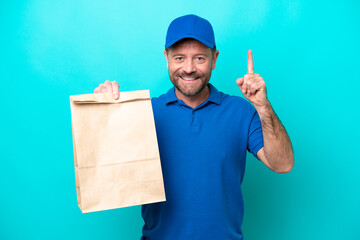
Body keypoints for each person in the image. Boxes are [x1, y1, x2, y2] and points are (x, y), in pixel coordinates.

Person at [94, 14, 294, 240]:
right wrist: (104, 113)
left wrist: (263, 106)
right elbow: (109, 171)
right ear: (166, 58)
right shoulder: (145, 112)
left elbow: (283, 164)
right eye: (179, 58)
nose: (188, 68)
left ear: (214, 58)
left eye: (199, 58)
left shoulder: (241, 111)